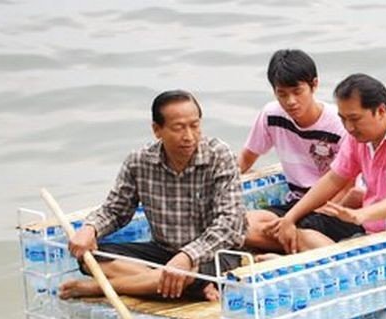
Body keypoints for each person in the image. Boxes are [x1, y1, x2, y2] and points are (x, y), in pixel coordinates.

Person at [59, 90, 247, 302]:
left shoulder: (219, 156)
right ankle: (168, 283)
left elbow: (230, 225)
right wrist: (90, 229)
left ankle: (98, 288)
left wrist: (187, 256)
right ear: (157, 130)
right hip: (162, 252)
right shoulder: (139, 161)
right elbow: (115, 210)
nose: (189, 136)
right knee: (90, 258)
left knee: (189, 274)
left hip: (211, 255)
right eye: (178, 128)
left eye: (195, 126)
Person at [274, 73, 386, 254]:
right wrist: (291, 216)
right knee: (298, 232)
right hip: (373, 231)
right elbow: (334, 179)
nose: (349, 127)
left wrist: (361, 214)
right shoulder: (359, 137)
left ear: (381, 111)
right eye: (343, 119)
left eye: (354, 119)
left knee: (309, 240)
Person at [238, 49, 361, 255]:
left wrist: (317, 213)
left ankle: (290, 245)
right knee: (239, 224)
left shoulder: (339, 123)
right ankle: (299, 245)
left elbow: (347, 183)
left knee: (306, 229)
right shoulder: (271, 115)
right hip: (295, 201)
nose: (291, 101)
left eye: (297, 91)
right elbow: (246, 158)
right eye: (282, 94)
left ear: (314, 85)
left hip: (333, 206)